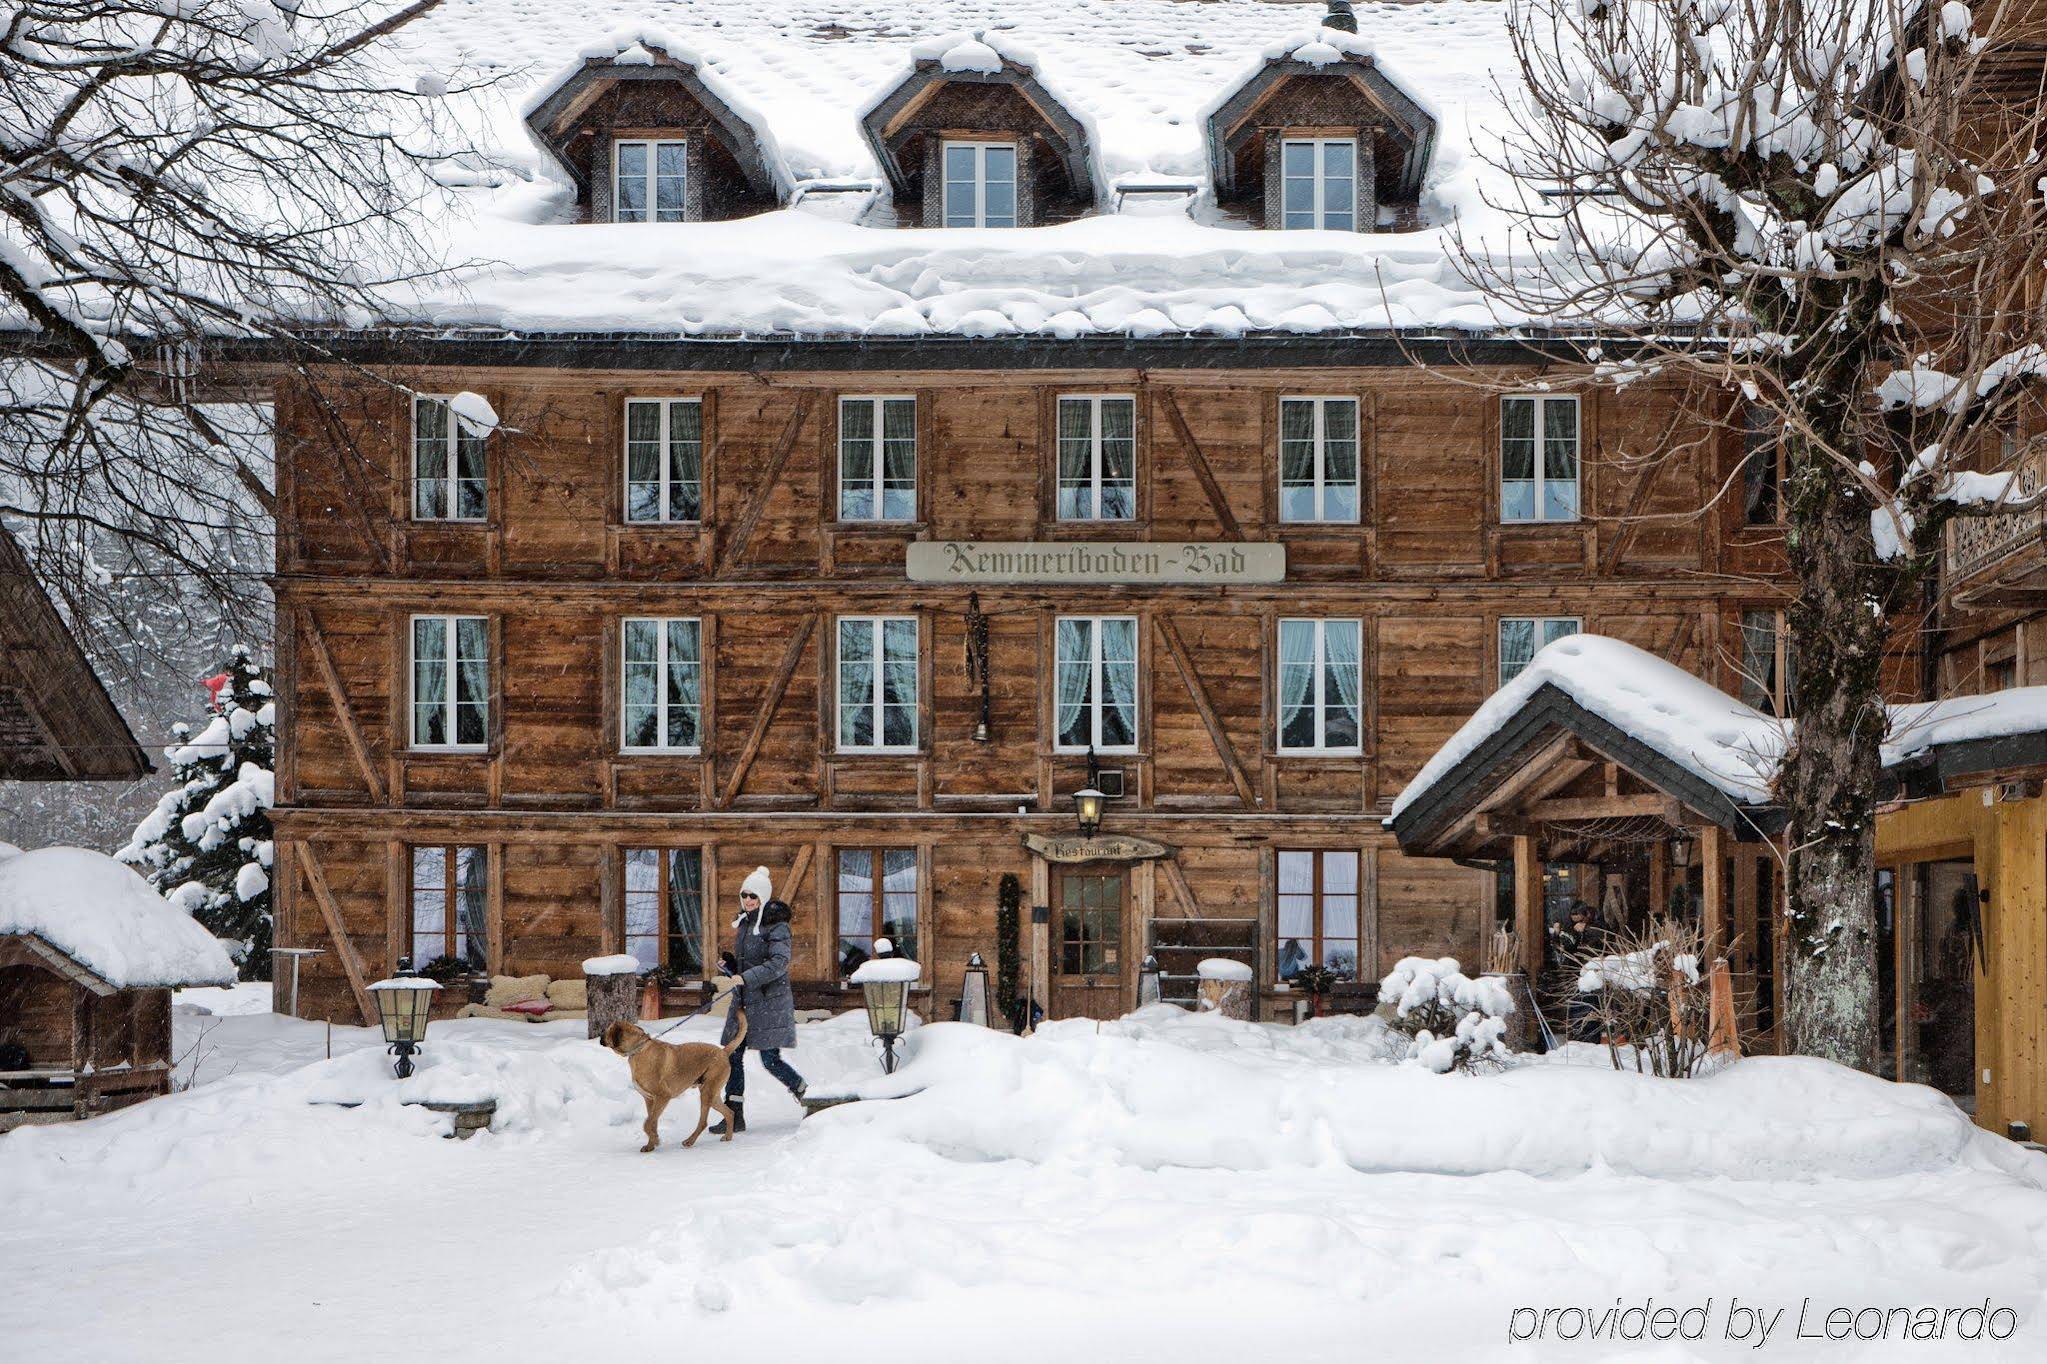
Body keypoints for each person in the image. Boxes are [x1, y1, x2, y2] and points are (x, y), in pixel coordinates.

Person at [710, 866, 805, 1134]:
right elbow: (749, 963)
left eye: (754, 895)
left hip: (769, 1002)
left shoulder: (778, 926)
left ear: (763, 897)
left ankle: (807, 1094)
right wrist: (731, 966)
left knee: (770, 1060)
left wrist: (747, 977)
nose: (748, 900)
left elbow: (778, 963)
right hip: (744, 1000)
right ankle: (734, 1115)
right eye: (744, 895)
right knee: (732, 1055)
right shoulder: (745, 922)